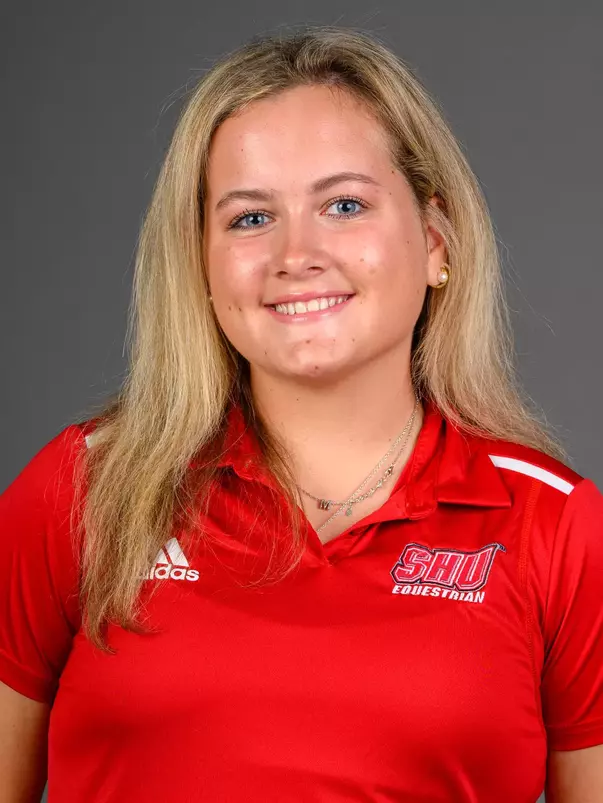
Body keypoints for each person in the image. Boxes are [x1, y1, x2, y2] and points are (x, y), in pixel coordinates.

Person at [0, 27, 601, 803]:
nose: (296, 253)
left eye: (343, 204)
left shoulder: (555, 526)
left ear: (434, 240)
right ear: (201, 263)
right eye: (250, 218)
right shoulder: (84, 487)